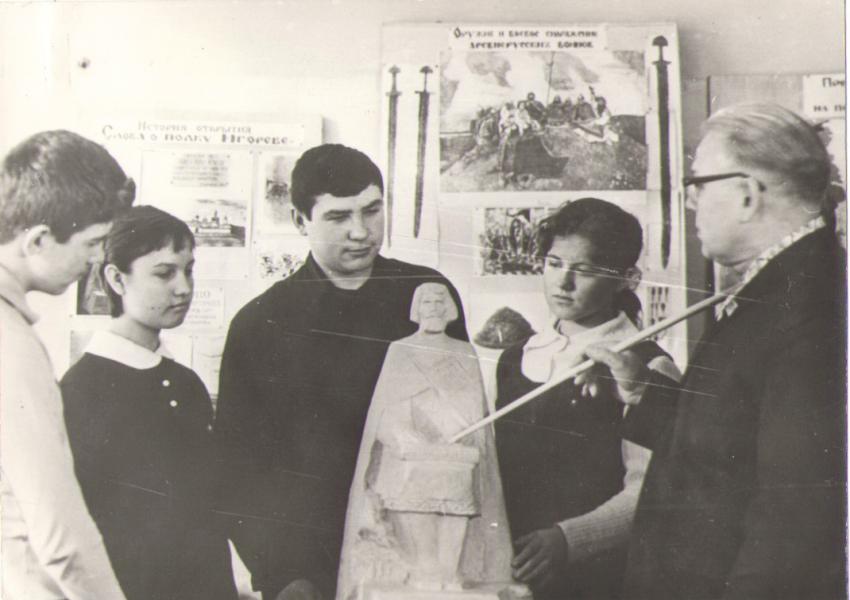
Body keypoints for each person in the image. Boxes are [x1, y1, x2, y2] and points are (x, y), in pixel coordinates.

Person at [583, 103, 847, 599]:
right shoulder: (779, 287)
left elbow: (795, 522)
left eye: (698, 185)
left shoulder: (811, 306)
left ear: (746, 195)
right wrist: (644, 392)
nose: (690, 203)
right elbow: (735, 450)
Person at [215, 144, 468, 600]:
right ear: (300, 221)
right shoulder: (259, 323)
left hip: (417, 553)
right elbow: (238, 468)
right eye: (338, 217)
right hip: (309, 565)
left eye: (372, 210)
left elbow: (461, 428)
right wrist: (281, 574)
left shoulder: (427, 295)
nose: (360, 232)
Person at [494, 198, 681, 600]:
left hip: (597, 579)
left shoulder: (649, 366)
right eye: (555, 263)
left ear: (627, 278)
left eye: (585, 270)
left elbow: (652, 488)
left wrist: (569, 539)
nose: (563, 283)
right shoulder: (514, 357)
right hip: (509, 569)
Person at [60, 206, 238, 600]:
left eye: (188, 270)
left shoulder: (186, 384)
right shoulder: (80, 392)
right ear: (116, 279)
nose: (184, 288)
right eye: (164, 273)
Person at [0, 130, 134, 599]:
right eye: (92, 242)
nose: (98, 258)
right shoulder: (10, 345)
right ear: (38, 240)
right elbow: (61, 539)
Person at [337, 283, 513, 600]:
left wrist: (457, 432)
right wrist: (406, 434)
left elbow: (472, 406)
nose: (434, 307)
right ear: (417, 309)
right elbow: (389, 407)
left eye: (439, 301)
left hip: (457, 451)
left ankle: (450, 571)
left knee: (457, 505)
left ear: (449, 309)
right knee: (416, 502)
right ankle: (425, 570)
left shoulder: (464, 351)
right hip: (412, 453)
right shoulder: (401, 350)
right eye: (427, 302)